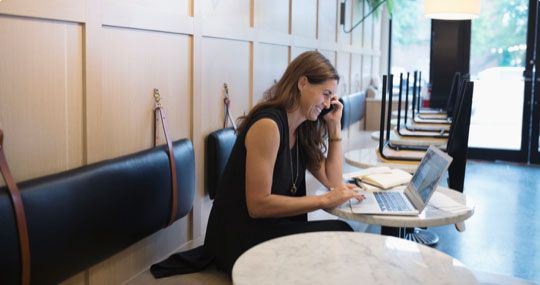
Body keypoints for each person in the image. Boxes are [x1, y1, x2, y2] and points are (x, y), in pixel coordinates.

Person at [151, 51, 365, 277]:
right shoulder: (268, 126)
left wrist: (334, 127)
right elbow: (258, 205)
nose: (328, 103)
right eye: (326, 93)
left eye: (332, 97)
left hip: (274, 227)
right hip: (242, 238)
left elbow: (332, 180)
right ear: (303, 83)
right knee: (341, 233)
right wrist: (323, 200)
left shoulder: (302, 128)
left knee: (342, 235)